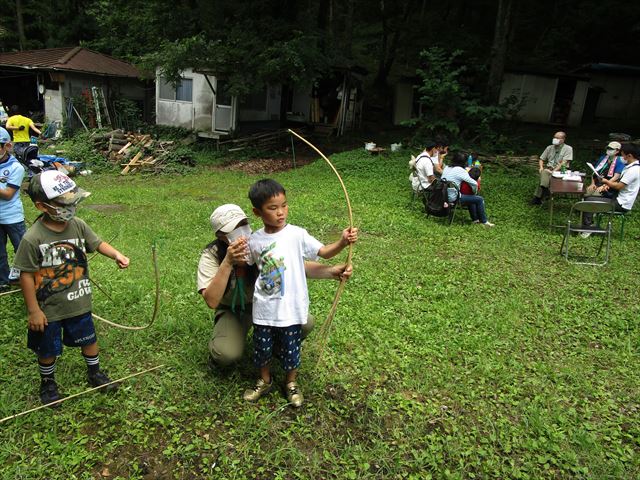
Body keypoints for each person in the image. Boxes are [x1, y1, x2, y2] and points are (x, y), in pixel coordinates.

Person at [13, 170, 130, 406]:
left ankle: (95, 372)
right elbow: (25, 275)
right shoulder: (32, 238)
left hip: (79, 300)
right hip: (49, 308)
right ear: (42, 206)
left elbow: (96, 243)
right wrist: (34, 310)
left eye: (74, 201)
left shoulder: (77, 224)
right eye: (64, 203)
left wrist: (116, 254)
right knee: (47, 348)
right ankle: (48, 383)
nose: (72, 208)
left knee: (88, 337)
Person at [243, 179, 358, 407]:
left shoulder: (296, 234)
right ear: (257, 212)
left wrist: (343, 242)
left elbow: (323, 252)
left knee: (291, 348)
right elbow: (248, 265)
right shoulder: (254, 240)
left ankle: (291, 383)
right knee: (262, 348)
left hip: (291, 307)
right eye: (272, 208)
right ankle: (264, 380)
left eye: (284, 205)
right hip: (264, 308)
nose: (280, 212)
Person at [197, 204, 353, 367]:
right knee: (226, 354)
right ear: (221, 235)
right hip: (234, 310)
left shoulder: (259, 242)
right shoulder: (211, 255)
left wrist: (331, 271)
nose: (241, 231)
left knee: (304, 323)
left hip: (267, 303)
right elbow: (212, 301)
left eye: (243, 224)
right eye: (233, 229)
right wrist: (228, 261)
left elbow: (293, 265)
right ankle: (229, 340)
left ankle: (276, 348)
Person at [580, 143, 640, 236]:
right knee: (589, 198)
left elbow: (619, 186)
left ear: (629, 156)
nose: (621, 157)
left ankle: (588, 228)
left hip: (621, 203)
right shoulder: (630, 167)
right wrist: (608, 185)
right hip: (616, 197)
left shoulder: (633, 170)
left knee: (589, 201)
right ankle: (589, 226)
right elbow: (619, 183)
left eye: (623, 155)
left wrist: (605, 182)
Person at [0, 127, 26, 291]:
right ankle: (3, 281)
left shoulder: (17, 167)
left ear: (6, 146)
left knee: (22, 250)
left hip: (12, 217)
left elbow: (8, 194)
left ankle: (26, 278)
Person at [442, 151, 495, 227]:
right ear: (463, 162)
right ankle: (484, 221)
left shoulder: (447, 167)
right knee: (479, 199)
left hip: (443, 195)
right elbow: (473, 182)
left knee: (472, 198)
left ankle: (475, 219)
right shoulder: (460, 170)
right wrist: (476, 188)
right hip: (453, 197)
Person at [531, 131, 573, 205]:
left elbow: (564, 162)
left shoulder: (568, 148)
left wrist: (553, 171)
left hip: (561, 170)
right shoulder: (549, 147)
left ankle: (538, 197)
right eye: (554, 137)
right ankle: (545, 191)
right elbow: (541, 159)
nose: (554, 139)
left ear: (563, 139)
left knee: (545, 176)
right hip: (549, 168)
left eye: (557, 138)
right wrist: (541, 167)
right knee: (544, 172)